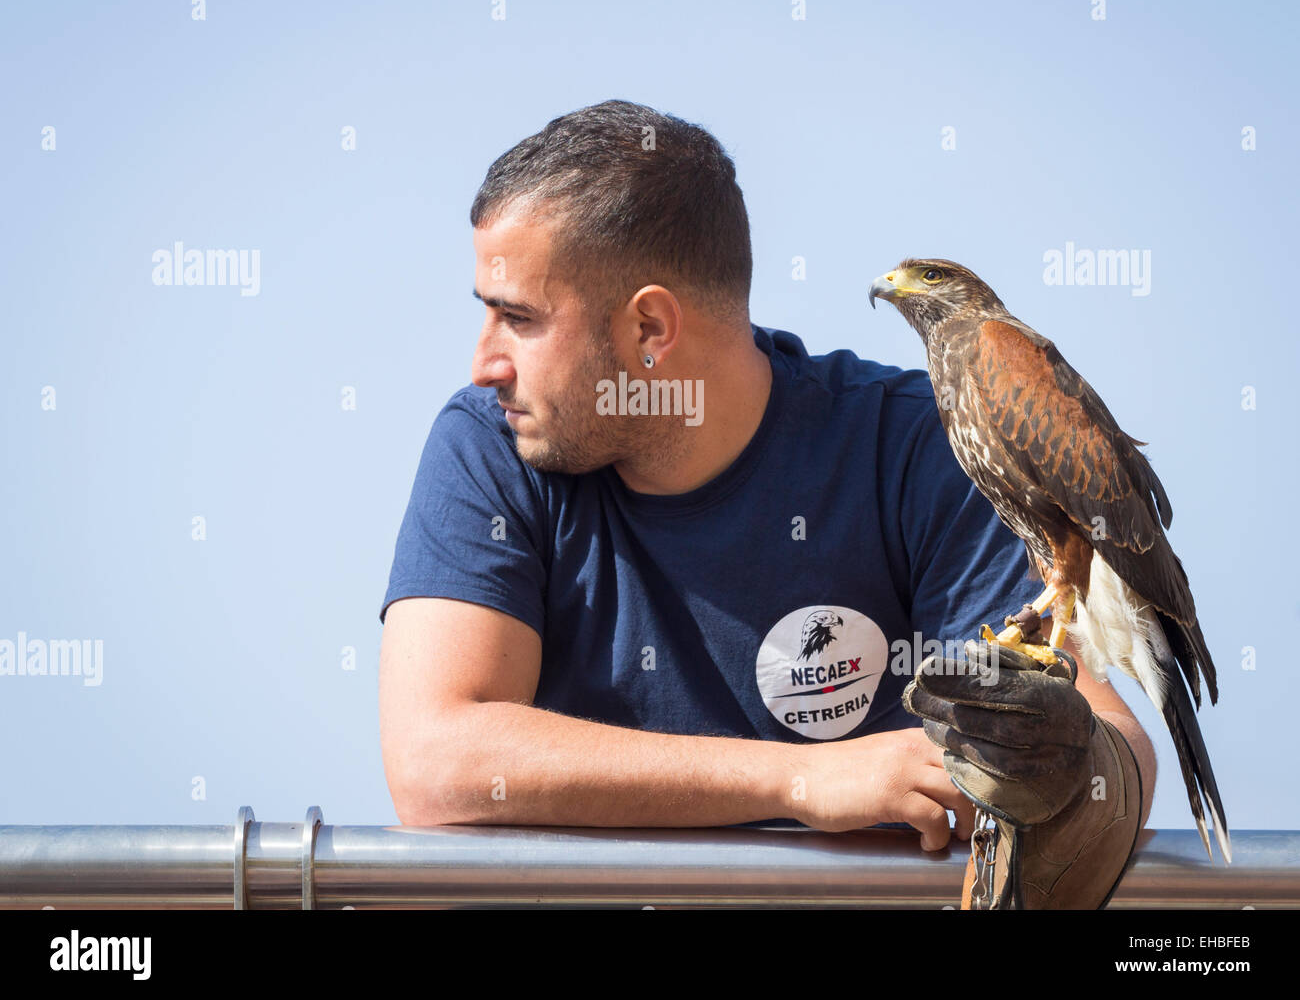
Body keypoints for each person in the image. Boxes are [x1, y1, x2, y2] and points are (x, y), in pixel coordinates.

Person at [377, 99, 1155, 908]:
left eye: (517, 318)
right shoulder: (489, 444)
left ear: (650, 326)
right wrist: (804, 780)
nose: (483, 364)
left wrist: (1061, 771)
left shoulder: (917, 446)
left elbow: (1109, 745)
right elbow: (437, 760)